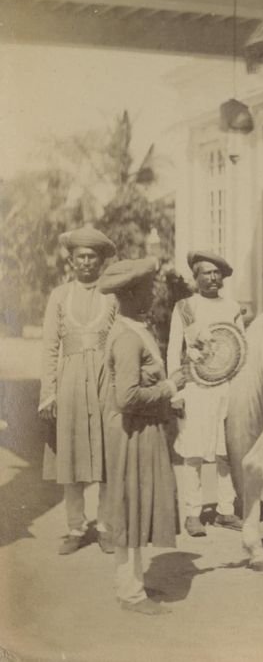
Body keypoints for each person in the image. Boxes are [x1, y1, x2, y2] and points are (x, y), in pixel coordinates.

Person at [100, 257, 186, 615]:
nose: (154, 294)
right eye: (149, 288)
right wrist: (168, 388)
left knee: (136, 506)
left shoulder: (136, 328)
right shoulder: (125, 337)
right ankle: (130, 593)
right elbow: (126, 397)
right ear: (132, 292)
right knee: (129, 508)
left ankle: (132, 582)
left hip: (143, 430)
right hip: (131, 433)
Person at [38, 226, 119, 555]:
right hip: (70, 381)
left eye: (92, 257)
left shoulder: (113, 295)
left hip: (105, 380)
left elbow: (123, 339)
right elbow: (49, 347)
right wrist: (49, 392)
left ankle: (106, 526)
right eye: (80, 257)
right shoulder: (59, 296)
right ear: (71, 261)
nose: (86, 262)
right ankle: (75, 527)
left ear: (101, 261)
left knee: (108, 456)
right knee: (70, 457)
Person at [167, 251, 244, 536]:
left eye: (216, 273)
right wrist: (175, 390)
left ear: (222, 277)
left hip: (227, 386)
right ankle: (192, 513)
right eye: (206, 273)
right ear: (195, 277)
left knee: (226, 451)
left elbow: (241, 349)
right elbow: (174, 349)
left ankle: (226, 510)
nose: (212, 278)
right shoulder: (185, 307)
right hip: (195, 387)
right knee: (193, 451)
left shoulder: (232, 307)